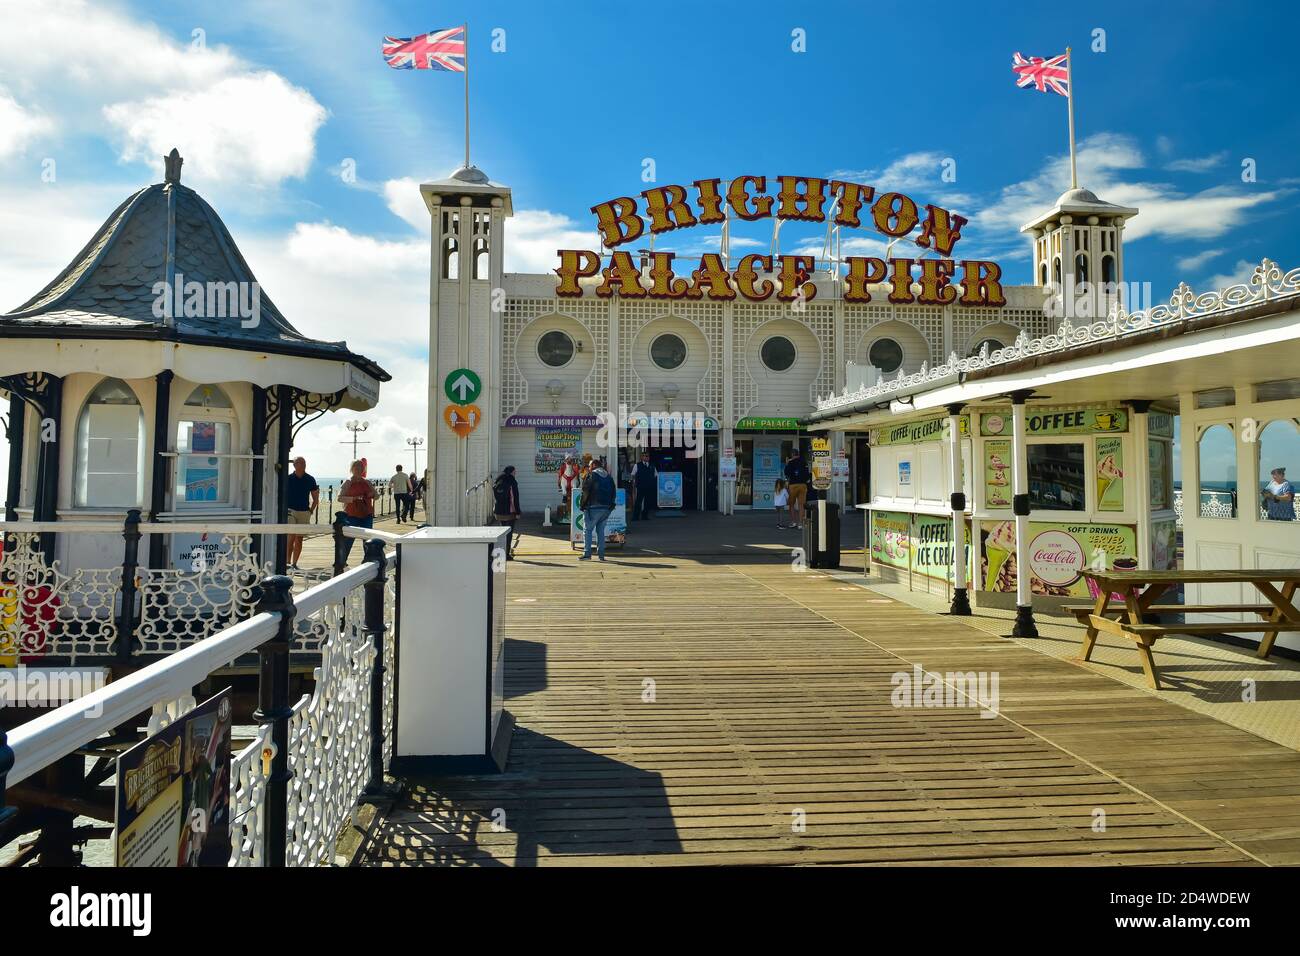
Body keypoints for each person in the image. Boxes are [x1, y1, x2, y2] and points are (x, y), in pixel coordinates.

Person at [337, 459, 376, 564]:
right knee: (348, 540)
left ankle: (369, 561)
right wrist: (353, 498)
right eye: (356, 467)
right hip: (351, 515)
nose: (359, 469)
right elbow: (339, 498)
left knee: (367, 540)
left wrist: (372, 494)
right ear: (352, 469)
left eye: (361, 467)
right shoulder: (348, 482)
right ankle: (341, 562)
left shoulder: (367, 482)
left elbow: (376, 496)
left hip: (366, 514)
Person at [284, 457, 319, 571]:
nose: (303, 465)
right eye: (299, 463)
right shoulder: (288, 478)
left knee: (299, 538)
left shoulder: (310, 479)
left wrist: (311, 511)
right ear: (294, 465)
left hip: (304, 511)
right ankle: (287, 562)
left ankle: (294, 563)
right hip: (291, 510)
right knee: (291, 536)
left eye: (304, 462)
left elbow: (315, 498)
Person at [580, 457, 616, 561]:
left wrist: (582, 506)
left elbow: (585, 491)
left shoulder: (591, 475)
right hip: (606, 509)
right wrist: (610, 507)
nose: (589, 468)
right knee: (600, 531)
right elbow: (613, 492)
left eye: (590, 465)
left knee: (587, 530)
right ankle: (601, 555)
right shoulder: (609, 477)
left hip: (592, 507)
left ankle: (587, 554)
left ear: (594, 465)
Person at [493, 466, 522, 559]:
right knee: (509, 534)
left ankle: (501, 553)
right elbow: (514, 498)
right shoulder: (511, 481)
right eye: (515, 472)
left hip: (499, 512)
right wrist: (518, 512)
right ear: (512, 472)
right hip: (509, 512)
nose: (515, 473)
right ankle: (506, 555)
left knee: (502, 533)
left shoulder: (498, 479)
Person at [784, 447, 811, 530]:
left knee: (791, 504)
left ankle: (793, 522)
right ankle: (800, 524)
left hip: (793, 485)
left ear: (792, 454)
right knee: (801, 505)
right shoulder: (804, 462)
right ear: (798, 454)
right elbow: (807, 474)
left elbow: (786, 473)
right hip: (803, 485)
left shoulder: (791, 462)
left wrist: (787, 463)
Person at [632, 452, 657, 521]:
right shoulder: (637, 465)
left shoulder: (652, 465)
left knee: (647, 502)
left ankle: (645, 516)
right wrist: (634, 483)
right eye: (644, 456)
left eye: (647, 456)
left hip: (649, 486)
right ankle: (635, 517)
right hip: (640, 486)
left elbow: (655, 475)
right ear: (642, 457)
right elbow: (633, 474)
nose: (646, 457)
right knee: (638, 502)